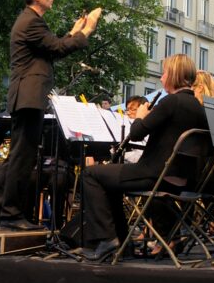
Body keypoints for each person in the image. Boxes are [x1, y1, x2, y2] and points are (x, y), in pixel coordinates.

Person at [0, 0, 101, 231]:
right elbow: (57, 49)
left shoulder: (32, 22)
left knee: (17, 156)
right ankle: (11, 214)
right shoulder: (31, 21)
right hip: (29, 96)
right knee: (22, 159)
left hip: (27, 96)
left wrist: (73, 32)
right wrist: (86, 30)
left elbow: (49, 48)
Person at [81, 53, 207, 261]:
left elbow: (137, 133)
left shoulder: (171, 102)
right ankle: (121, 244)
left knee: (90, 174)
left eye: (165, 72)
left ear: (174, 75)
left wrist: (140, 116)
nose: (161, 78)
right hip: (182, 179)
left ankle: (105, 240)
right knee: (108, 182)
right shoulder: (198, 107)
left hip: (155, 174)